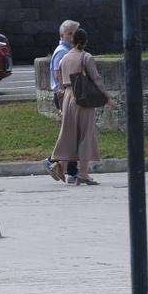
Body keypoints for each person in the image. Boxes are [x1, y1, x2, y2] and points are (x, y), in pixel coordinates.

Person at [51, 28, 104, 186]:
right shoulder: (86, 57)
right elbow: (96, 78)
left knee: (70, 135)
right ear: (86, 41)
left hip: (67, 96)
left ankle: (60, 164)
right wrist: (106, 98)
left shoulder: (65, 58)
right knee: (86, 135)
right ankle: (84, 174)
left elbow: (59, 77)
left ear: (72, 42)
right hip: (82, 97)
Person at [45, 19, 81, 183]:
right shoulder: (62, 52)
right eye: (69, 33)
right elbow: (58, 76)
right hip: (63, 94)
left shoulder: (70, 50)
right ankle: (55, 162)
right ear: (62, 35)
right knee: (71, 133)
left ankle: (68, 169)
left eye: (75, 33)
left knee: (72, 133)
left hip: (66, 94)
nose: (73, 36)